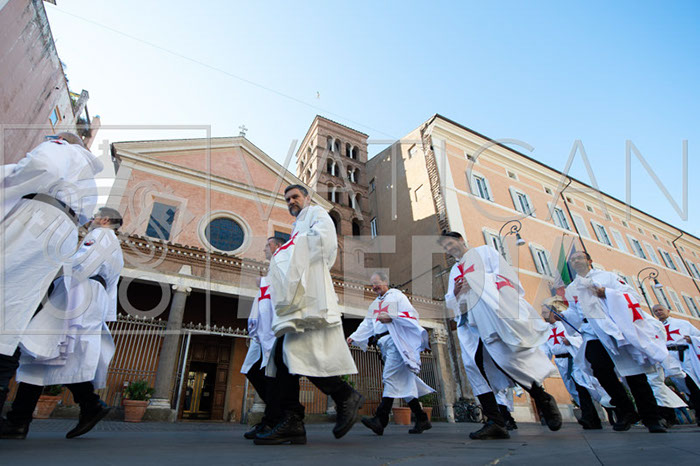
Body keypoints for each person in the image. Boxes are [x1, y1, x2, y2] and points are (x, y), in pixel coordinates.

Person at [0, 133, 103, 415]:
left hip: (35, 219)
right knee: (20, 313)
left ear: (59, 138)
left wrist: (11, 181)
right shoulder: (87, 177)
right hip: (63, 232)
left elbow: (42, 166)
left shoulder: (60, 148)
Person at [1, 207, 123, 439]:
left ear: (105, 219)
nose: (92, 219)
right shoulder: (112, 242)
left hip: (77, 293)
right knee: (44, 353)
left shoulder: (101, 234)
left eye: (96, 216)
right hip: (84, 294)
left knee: (40, 348)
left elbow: (82, 263)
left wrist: (49, 263)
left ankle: (86, 405)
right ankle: (22, 420)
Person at [254, 185, 362, 445]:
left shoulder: (317, 214)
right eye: (287, 199)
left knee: (289, 356)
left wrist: (286, 250)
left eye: (295, 197)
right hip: (298, 299)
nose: (291, 201)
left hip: (312, 296)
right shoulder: (297, 227)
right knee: (286, 358)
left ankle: (340, 397)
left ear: (307, 198)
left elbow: (326, 243)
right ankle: (295, 418)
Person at [439, 231, 561, 440]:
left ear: (460, 240)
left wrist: (478, 281)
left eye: (450, 244)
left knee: (507, 361)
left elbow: (506, 278)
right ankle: (496, 422)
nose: (449, 249)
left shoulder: (485, 252)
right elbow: (450, 299)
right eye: (445, 248)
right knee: (474, 368)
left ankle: (543, 399)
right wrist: (458, 292)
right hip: (470, 324)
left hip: (492, 316)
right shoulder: (454, 271)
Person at [562, 251, 668, 433]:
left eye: (579, 257)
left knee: (634, 374)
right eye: (573, 259)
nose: (576, 261)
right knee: (600, 369)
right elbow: (574, 313)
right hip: (592, 333)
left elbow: (632, 296)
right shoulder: (572, 288)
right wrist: (562, 316)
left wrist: (607, 293)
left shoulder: (608, 277)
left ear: (589, 260)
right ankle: (626, 410)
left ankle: (651, 418)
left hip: (615, 330)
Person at [348, 272, 434, 436]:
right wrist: (354, 336)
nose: (374, 287)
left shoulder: (396, 296)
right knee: (406, 384)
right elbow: (367, 323)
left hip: (396, 342)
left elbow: (410, 314)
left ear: (385, 281)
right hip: (384, 344)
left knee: (389, 377)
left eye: (377, 283)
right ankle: (422, 419)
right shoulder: (375, 304)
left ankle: (380, 419)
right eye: (372, 284)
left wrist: (392, 317)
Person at [541, 299, 612, 430]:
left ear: (553, 312)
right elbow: (545, 348)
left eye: (545, 312)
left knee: (584, 387)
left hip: (574, 359)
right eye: (542, 313)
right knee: (573, 390)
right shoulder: (545, 330)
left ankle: (595, 415)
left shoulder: (566, 323)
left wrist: (570, 341)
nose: (543, 315)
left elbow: (581, 336)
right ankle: (592, 418)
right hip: (561, 362)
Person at [240, 236, 285, 439]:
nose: (264, 249)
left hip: (273, 328)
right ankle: (277, 413)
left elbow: (283, 285)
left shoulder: (283, 261)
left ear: (277, 246)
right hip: (261, 330)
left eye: (268, 245)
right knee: (251, 369)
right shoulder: (273, 265)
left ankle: (272, 418)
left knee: (270, 373)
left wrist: (263, 282)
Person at [652, 303, 700, 426]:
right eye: (656, 311)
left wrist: (692, 339)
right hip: (666, 357)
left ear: (668, 310)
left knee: (691, 384)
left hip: (684, 356)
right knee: (663, 386)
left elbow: (698, 335)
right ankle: (669, 417)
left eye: (660, 310)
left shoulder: (683, 323)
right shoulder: (654, 326)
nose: (658, 312)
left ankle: (699, 413)